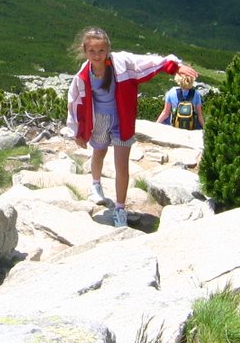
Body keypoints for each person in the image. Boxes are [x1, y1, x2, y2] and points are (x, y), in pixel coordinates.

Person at [66, 26, 198, 228]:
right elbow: (74, 102)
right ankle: (96, 185)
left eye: (101, 50)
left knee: (122, 165)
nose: (97, 55)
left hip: (122, 120)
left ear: (108, 49)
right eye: (92, 51)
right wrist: (78, 132)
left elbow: (149, 62)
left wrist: (174, 66)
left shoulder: (122, 63)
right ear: (85, 51)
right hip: (99, 120)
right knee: (98, 153)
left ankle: (120, 209)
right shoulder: (82, 76)